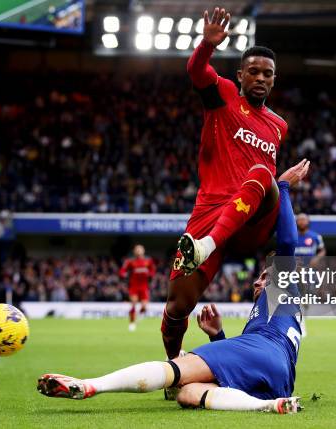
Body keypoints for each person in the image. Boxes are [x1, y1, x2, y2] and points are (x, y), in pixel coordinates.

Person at [37, 161, 308, 414]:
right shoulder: (271, 317)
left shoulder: (283, 289)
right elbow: (243, 365)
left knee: (177, 370)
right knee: (187, 394)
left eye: (264, 277)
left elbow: (286, 244)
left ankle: (90, 386)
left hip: (265, 352)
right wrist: (218, 335)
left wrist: (283, 186)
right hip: (280, 378)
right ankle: (271, 405)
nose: (257, 282)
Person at [163, 6, 290, 362]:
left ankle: (206, 246)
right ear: (241, 75)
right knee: (178, 305)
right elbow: (196, 71)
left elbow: (265, 182)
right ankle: (174, 366)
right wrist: (207, 44)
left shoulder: (279, 126)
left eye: (268, 74)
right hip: (212, 209)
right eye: (253, 71)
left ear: (274, 80)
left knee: (264, 175)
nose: (261, 78)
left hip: (251, 222)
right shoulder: (223, 95)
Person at [294, 213, 326, 337]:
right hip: (293, 271)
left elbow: (322, 250)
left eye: (304, 220)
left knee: (304, 298)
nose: (302, 222)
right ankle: (299, 324)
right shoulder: (292, 236)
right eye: (299, 220)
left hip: (308, 271)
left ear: (308, 222)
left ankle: (302, 322)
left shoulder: (315, 237)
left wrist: (317, 259)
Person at [119, 244, 156, 332]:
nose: (139, 251)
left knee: (144, 307)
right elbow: (122, 270)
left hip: (144, 286)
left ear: (143, 251)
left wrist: (150, 275)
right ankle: (131, 323)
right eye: (137, 249)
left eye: (140, 249)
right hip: (134, 286)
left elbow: (152, 270)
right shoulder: (130, 261)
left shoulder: (148, 261)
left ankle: (138, 317)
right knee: (134, 303)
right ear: (134, 251)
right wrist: (123, 274)